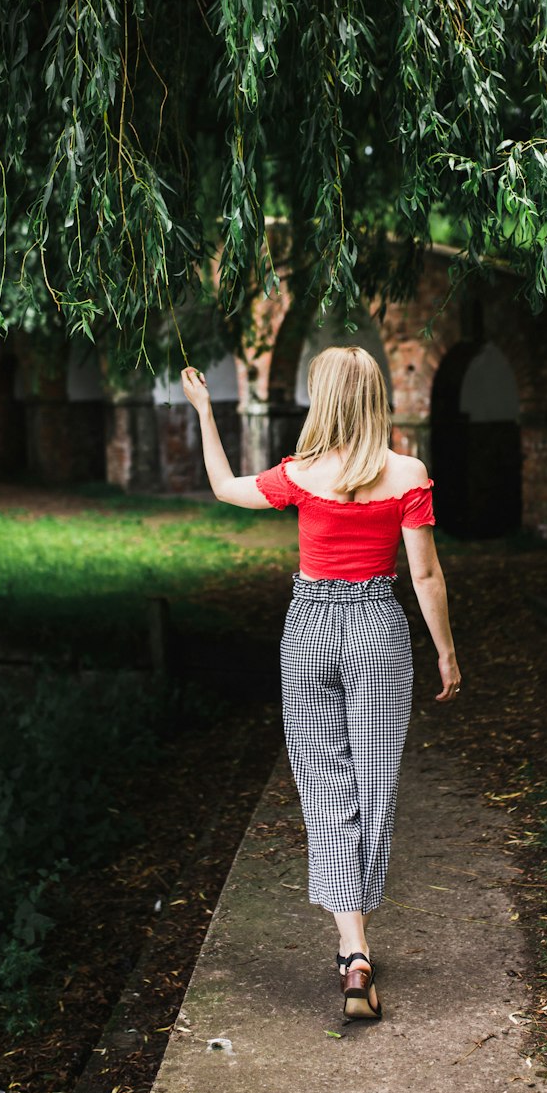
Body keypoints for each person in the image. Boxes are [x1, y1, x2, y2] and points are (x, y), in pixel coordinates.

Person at [181, 346, 461, 1021]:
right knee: (373, 786)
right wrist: (447, 655)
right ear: (376, 398)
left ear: (324, 398)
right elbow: (425, 576)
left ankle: (353, 952)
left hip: (308, 628)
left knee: (325, 788)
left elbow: (225, 489)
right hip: (378, 629)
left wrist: (205, 415)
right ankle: (357, 949)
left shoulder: (301, 473)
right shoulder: (407, 473)